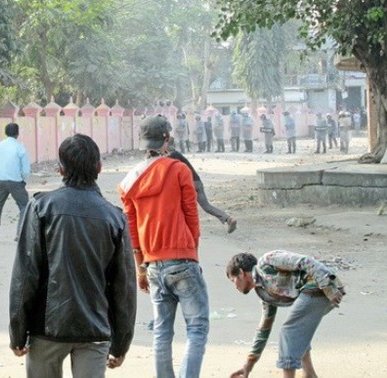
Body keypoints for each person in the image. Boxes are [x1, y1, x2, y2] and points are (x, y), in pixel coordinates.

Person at [9, 134, 136, 378]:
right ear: (99, 167)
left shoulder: (40, 207)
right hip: (95, 329)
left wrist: (18, 330)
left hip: (46, 329)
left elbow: (25, 276)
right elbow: (124, 287)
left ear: (60, 169)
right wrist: (121, 342)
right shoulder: (115, 218)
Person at [118, 115, 209, 378]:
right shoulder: (179, 169)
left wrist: (141, 269)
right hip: (182, 259)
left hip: (153, 265)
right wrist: (192, 254)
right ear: (167, 139)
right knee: (197, 326)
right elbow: (192, 215)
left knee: (161, 331)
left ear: (142, 143)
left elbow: (131, 230)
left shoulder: (129, 182)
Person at [226, 250, 345, 378]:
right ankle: (309, 374)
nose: (235, 287)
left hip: (323, 287)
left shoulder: (268, 260)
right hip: (314, 293)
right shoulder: (263, 293)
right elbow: (263, 330)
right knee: (298, 331)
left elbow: (305, 261)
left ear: (241, 273)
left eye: (233, 281)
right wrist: (248, 366)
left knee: (289, 332)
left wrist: (326, 284)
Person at [0, 122, 30, 243]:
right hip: (16, 181)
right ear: (18, 133)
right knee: (24, 206)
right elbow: (26, 170)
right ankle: (19, 234)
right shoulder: (20, 148)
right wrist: (23, 180)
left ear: (5, 132)